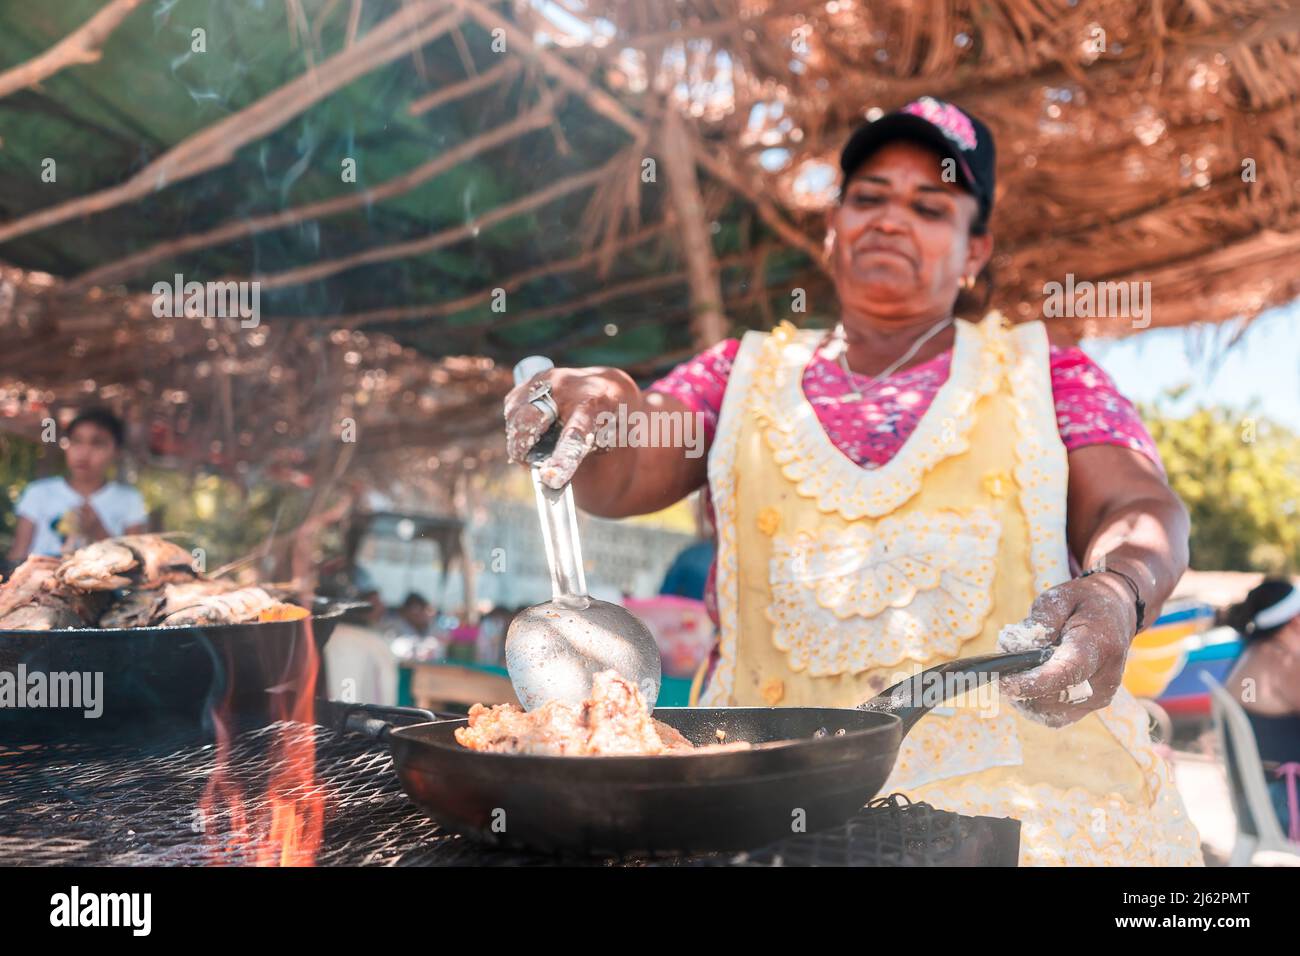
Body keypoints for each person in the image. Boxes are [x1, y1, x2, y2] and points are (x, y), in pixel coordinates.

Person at [503, 96, 1202, 865]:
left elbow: (1137, 505)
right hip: (756, 807)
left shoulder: (1048, 373)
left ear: (976, 251)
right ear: (832, 229)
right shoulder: (739, 375)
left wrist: (1117, 591)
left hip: (1024, 815)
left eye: (931, 206)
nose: (891, 219)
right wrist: (608, 406)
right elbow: (622, 469)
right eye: (867, 197)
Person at [7, 407, 148, 561]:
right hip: (42, 581)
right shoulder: (38, 493)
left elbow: (136, 562)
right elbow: (18, 554)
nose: (84, 452)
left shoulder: (129, 499)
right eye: (76, 441)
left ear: (116, 451)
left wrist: (98, 531)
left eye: (97, 443)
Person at [1223, 579, 1300, 839]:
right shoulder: (1284, 662)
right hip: (1284, 807)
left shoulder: (1251, 654)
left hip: (1255, 805)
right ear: (1295, 620)